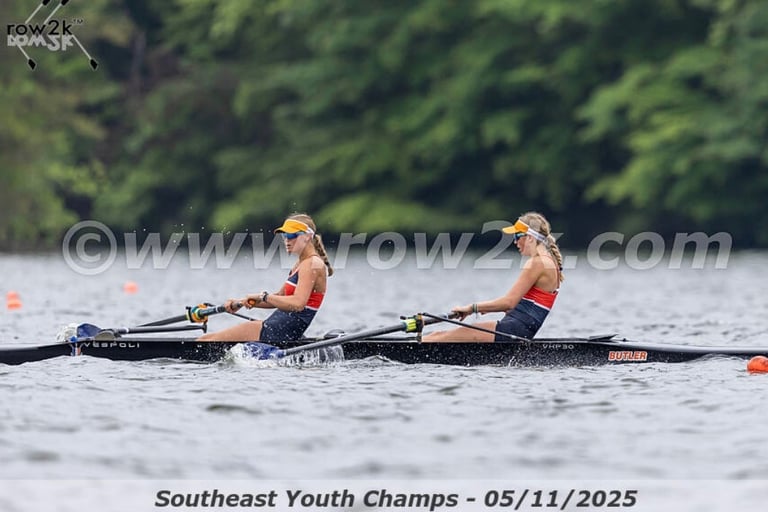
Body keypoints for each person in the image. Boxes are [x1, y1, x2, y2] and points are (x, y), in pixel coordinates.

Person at [424, 212, 563, 342]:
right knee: (438, 336)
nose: (515, 242)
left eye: (516, 236)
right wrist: (489, 307)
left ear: (530, 238)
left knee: (436, 338)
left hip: (512, 331)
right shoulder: (550, 262)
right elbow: (525, 306)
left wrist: (471, 308)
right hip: (517, 329)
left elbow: (509, 302)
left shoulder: (537, 263)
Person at [198, 213, 333, 342]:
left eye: (292, 235)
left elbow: (298, 304)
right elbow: (279, 297)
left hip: (278, 333)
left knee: (204, 340)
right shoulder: (301, 264)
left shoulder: (312, 264)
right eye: (285, 235)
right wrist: (244, 301)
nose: (287, 240)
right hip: (276, 329)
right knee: (205, 339)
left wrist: (263, 296)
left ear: (307, 236)